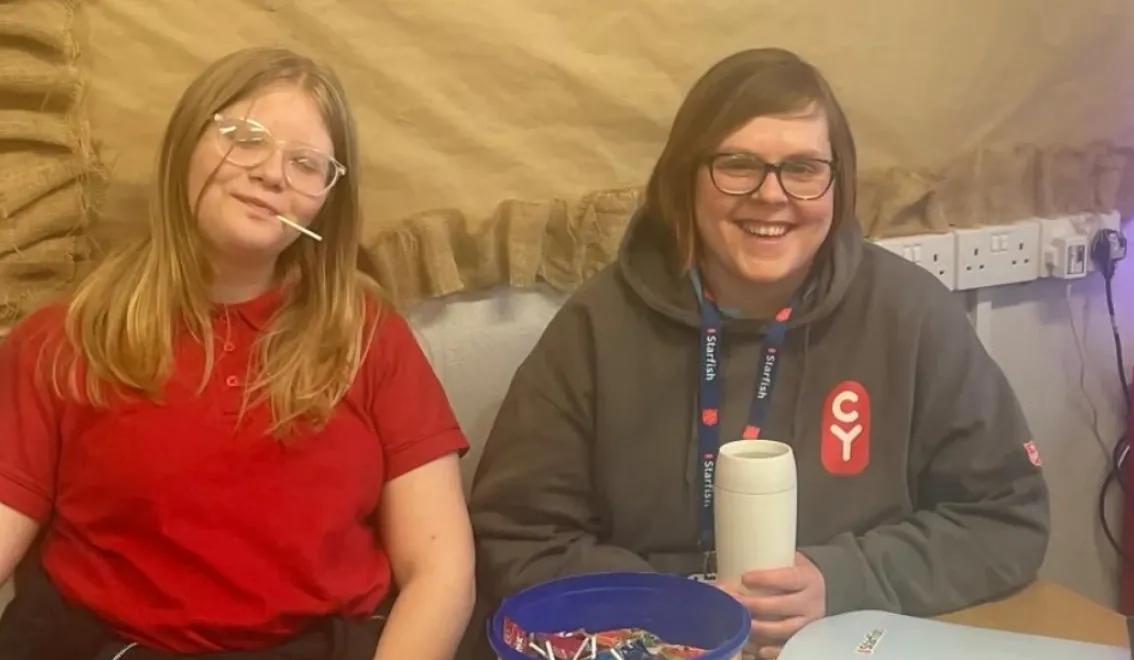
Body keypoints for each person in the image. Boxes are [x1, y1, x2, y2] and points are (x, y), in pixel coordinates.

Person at [469, 47, 1049, 658]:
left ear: (839, 184)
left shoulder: (912, 314)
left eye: (803, 168)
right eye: (738, 164)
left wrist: (847, 580)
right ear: (684, 179)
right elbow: (515, 538)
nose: (772, 195)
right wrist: (670, 607)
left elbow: (1008, 518)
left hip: (845, 639)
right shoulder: (598, 325)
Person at [0, 48, 474, 659]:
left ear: (326, 201)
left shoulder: (370, 338)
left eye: (306, 164)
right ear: (186, 144)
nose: (272, 175)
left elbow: (440, 570)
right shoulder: (64, 337)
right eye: (246, 139)